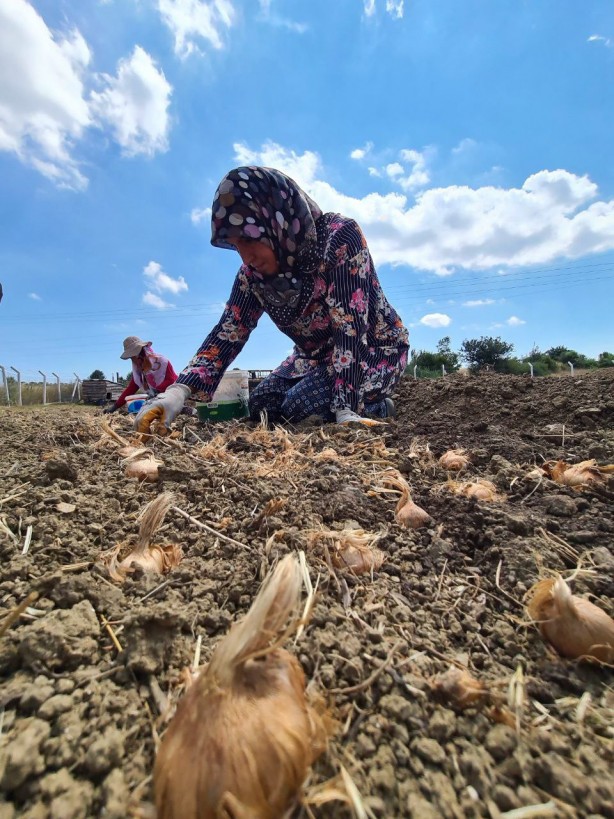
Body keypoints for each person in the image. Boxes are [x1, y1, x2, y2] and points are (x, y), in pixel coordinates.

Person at [135, 166, 409, 432]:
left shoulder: (338, 240)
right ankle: (330, 400)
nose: (245, 256)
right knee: (261, 404)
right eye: (236, 245)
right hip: (314, 359)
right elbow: (227, 333)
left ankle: (378, 407)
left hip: (372, 350)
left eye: (248, 239)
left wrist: (346, 408)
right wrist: (178, 390)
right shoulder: (252, 277)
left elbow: (350, 329)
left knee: (300, 407)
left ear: (274, 222)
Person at [103, 336, 178, 413]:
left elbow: (171, 380)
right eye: (131, 358)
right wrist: (115, 407)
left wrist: (156, 391)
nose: (133, 361)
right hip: (159, 399)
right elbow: (130, 389)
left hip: (174, 393)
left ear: (140, 355)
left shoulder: (162, 362)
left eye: (133, 357)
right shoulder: (139, 371)